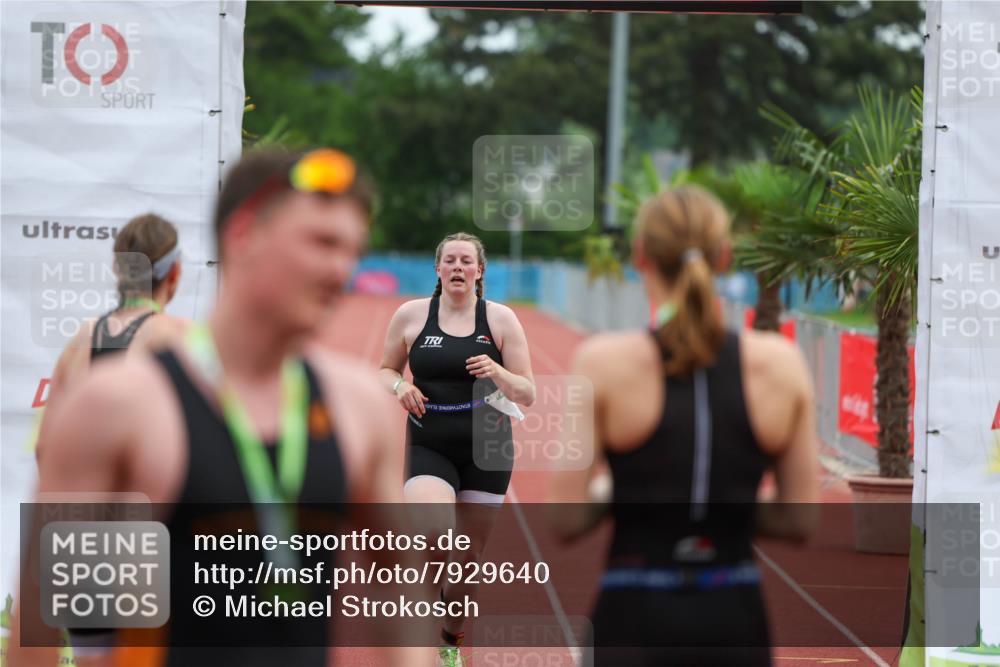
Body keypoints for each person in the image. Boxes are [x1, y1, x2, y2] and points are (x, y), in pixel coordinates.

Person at [10, 148, 434, 667]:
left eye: (352, 250)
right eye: (322, 243)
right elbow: (36, 634)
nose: (341, 270)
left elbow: (401, 596)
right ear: (244, 234)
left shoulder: (362, 409)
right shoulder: (113, 406)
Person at [547, 186, 820, 666]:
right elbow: (799, 519)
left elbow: (565, 518)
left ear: (640, 256)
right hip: (734, 614)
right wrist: (725, 500)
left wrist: (630, 489)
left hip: (633, 611)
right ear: (725, 257)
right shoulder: (781, 364)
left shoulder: (603, 363)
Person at [378, 232, 535, 666]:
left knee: (466, 562)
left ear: (480, 271)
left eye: (467, 261)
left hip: (488, 446)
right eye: (450, 261)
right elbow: (384, 368)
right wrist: (399, 385)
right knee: (430, 535)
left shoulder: (500, 320)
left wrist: (499, 373)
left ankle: (450, 637)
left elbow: (528, 392)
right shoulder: (411, 316)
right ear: (438, 269)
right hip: (430, 440)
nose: (458, 268)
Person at [37, 213, 188, 459]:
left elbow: (44, 447)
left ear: (118, 270)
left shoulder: (81, 339)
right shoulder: (182, 337)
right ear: (175, 272)